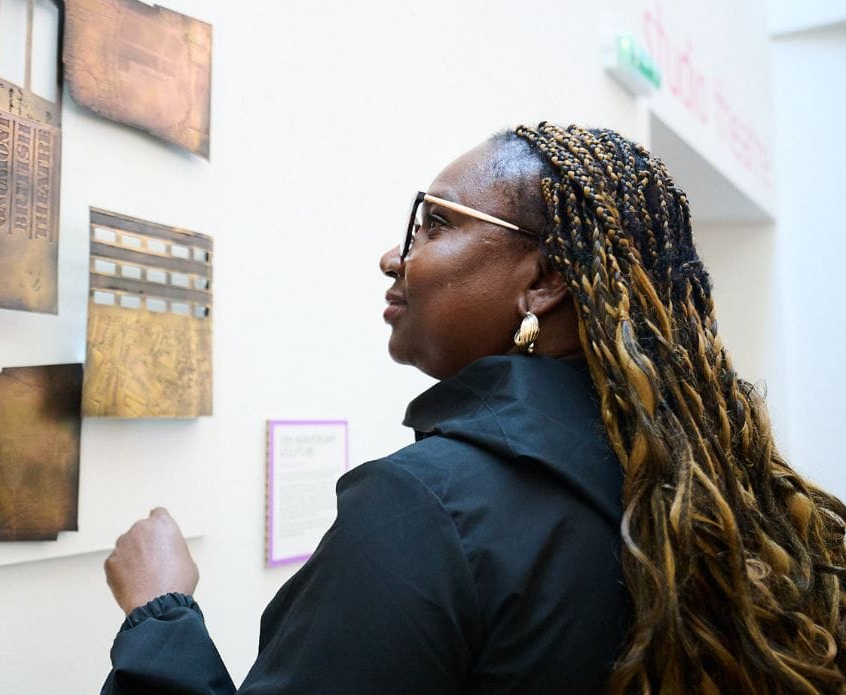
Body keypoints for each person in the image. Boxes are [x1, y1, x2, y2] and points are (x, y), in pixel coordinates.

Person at [99, 123, 846, 694]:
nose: (396, 257)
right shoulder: (702, 489)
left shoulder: (427, 505)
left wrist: (158, 614)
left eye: (435, 224)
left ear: (543, 281)